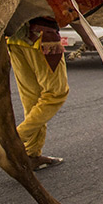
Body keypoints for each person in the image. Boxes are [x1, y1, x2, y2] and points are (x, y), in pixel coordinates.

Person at [8, 17, 74, 170]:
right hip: (42, 40)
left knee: (32, 99)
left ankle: (31, 154)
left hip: (15, 39)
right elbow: (68, 10)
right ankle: (14, 139)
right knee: (56, 93)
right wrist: (87, 37)